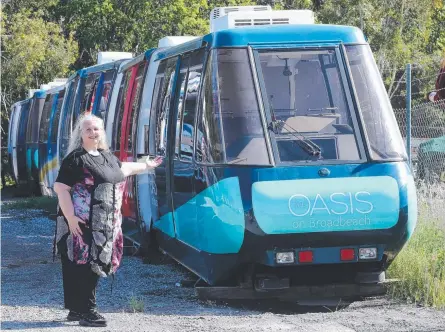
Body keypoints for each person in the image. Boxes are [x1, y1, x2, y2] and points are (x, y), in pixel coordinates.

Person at [53, 113, 162, 327]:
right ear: (81, 134)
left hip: (104, 224)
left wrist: (146, 165)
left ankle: (76, 310)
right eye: (88, 130)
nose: (93, 133)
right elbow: (61, 188)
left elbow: (123, 170)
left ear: (102, 132)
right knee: (85, 264)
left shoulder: (106, 156)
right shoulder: (75, 159)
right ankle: (88, 311)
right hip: (81, 222)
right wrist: (71, 218)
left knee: (87, 263)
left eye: (96, 129)